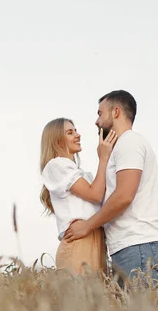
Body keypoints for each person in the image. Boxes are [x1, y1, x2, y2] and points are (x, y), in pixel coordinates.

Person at [63, 90, 158, 286]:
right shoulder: (123, 147)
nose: (96, 121)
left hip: (139, 246)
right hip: (132, 247)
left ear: (116, 112)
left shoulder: (129, 142)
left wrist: (88, 225)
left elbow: (124, 196)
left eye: (100, 113)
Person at [40, 118, 117, 275]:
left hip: (96, 243)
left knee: (96, 298)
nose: (78, 135)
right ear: (57, 140)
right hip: (79, 244)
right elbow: (95, 195)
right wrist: (103, 158)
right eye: (70, 132)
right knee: (81, 298)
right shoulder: (56, 165)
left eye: (75, 130)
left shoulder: (84, 175)